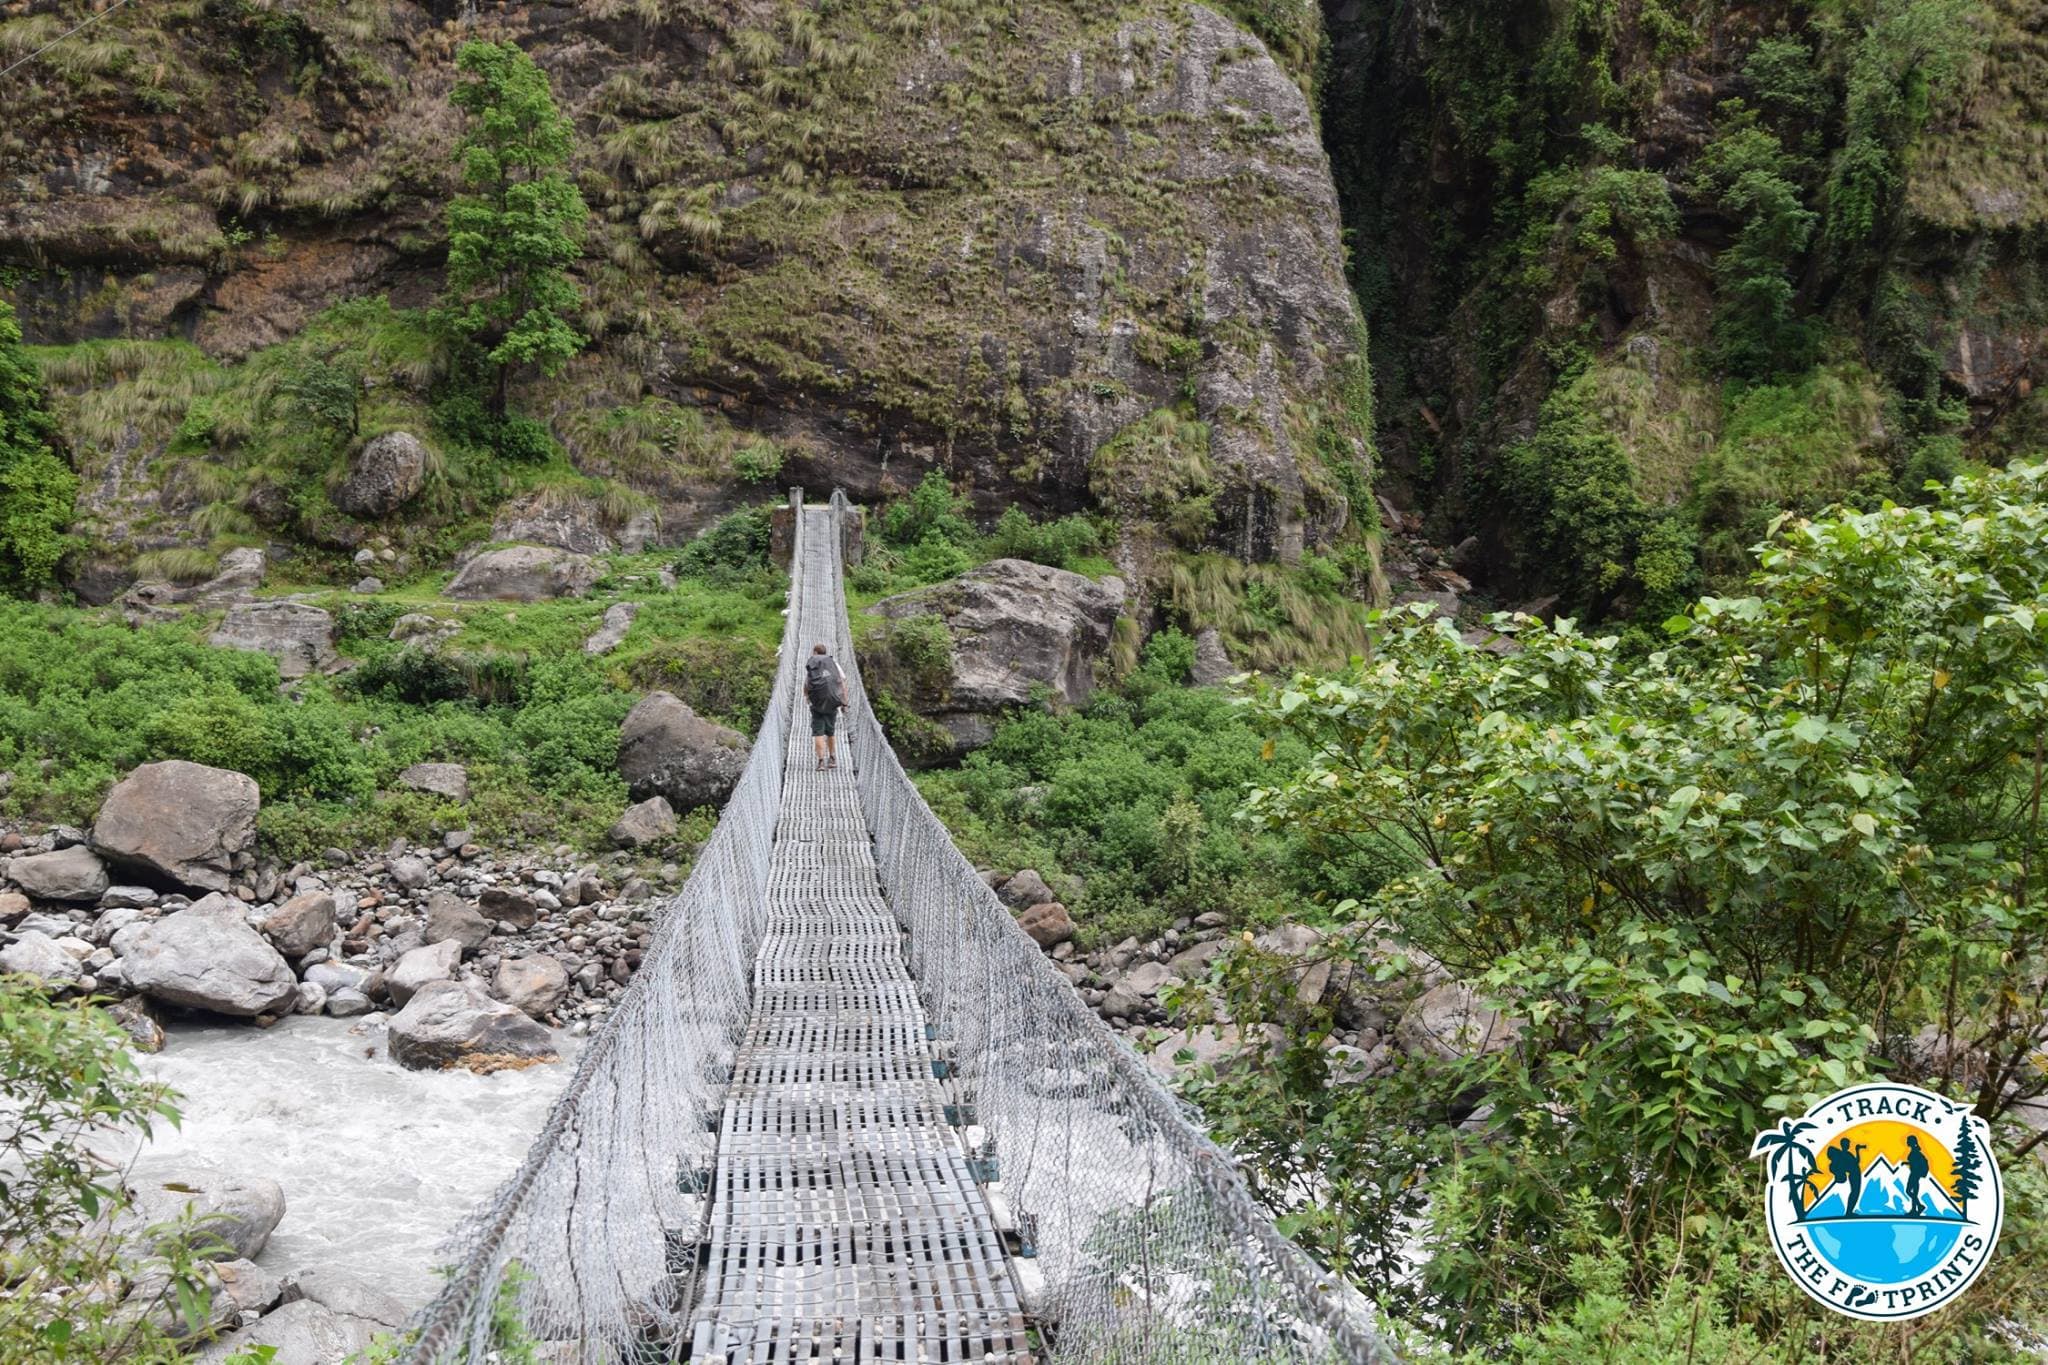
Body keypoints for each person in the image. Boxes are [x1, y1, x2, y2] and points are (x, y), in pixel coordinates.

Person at [805, 643, 847, 770]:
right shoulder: (833, 664)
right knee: (830, 732)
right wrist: (844, 702)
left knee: (818, 733)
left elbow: (807, 684)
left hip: (817, 704)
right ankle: (832, 758)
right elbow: (842, 682)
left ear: (815, 652)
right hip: (832, 702)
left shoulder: (813, 665)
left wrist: (807, 698)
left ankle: (821, 762)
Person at [1824, 1137, 1863, 1217]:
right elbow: (1856, 1162)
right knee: (1854, 1193)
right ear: (1844, 1145)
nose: (1849, 1145)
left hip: (1854, 1174)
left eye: (1849, 1144)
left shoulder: (1844, 1154)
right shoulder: (1845, 1155)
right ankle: (1849, 1212)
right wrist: (1857, 1150)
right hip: (1854, 1174)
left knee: (1854, 1193)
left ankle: (1849, 1212)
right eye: (1848, 1144)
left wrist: (1857, 1150)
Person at [1904, 1135, 1930, 1217]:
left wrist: (1908, 1163)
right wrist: (1906, 1163)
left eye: (1908, 1141)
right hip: (1915, 1174)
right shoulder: (1915, 1151)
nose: (1907, 1142)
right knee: (1913, 1192)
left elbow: (1915, 1163)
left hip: (1914, 1174)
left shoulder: (1915, 1152)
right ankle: (1915, 1209)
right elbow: (1914, 1162)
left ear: (1911, 1142)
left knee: (1908, 1191)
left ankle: (1918, 1207)